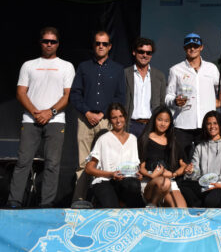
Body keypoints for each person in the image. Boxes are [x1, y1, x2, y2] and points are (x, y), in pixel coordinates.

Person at [7, 27, 75, 208]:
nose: (49, 44)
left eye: (53, 41)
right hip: (30, 120)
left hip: (55, 120)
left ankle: (46, 204)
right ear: (40, 42)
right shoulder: (28, 65)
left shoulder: (66, 66)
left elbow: (67, 95)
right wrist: (36, 112)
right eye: (46, 41)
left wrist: (49, 112)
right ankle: (14, 202)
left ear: (58, 44)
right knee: (23, 162)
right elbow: (21, 93)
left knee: (52, 164)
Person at [70, 30, 126, 203]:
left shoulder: (117, 69)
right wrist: (87, 112)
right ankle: (79, 199)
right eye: (97, 43)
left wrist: (102, 113)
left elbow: (120, 96)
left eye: (104, 44)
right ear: (93, 45)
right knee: (83, 163)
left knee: (107, 163)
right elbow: (75, 94)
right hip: (85, 119)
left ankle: (105, 202)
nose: (100, 46)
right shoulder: (84, 67)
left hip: (106, 121)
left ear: (109, 46)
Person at [165, 33, 219, 159]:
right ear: (184, 48)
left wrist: (219, 101)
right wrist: (175, 101)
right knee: (182, 162)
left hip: (206, 125)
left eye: (196, 46)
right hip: (183, 124)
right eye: (189, 46)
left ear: (201, 47)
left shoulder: (211, 68)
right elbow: (168, 96)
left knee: (206, 161)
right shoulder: (176, 69)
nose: (192, 49)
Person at [85, 103, 144, 208]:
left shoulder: (133, 139)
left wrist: (137, 174)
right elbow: (89, 169)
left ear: (125, 117)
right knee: (112, 209)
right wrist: (111, 174)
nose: (118, 121)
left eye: (121, 116)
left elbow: (134, 165)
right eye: (114, 117)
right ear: (110, 120)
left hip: (126, 182)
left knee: (133, 186)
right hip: (105, 180)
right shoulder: (103, 139)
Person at [180, 111, 221, 207]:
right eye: (208, 124)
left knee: (210, 200)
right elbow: (196, 172)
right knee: (182, 186)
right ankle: (199, 207)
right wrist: (191, 171)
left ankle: (201, 205)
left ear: (220, 124)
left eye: (215, 123)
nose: (212, 127)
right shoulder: (200, 146)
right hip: (204, 185)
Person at [137, 106, 187, 207]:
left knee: (181, 209)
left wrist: (173, 174)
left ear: (170, 123)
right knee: (164, 183)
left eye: (166, 121)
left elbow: (183, 165)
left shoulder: (173, 141)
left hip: (169, 181)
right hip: (150, 182)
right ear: (154, 119)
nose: (163, 124)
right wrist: (151, 175)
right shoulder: (145, 139)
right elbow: (141, 168)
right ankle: (152, 205)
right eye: (160, 120)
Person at [125, 37, 166, 138]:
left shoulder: (159, 76)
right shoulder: (125, 74)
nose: (145, 55)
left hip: (151, 126)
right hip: (130, 125)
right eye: (141, 52)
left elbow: (162, 103)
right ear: (134, 52)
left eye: (148, 53)